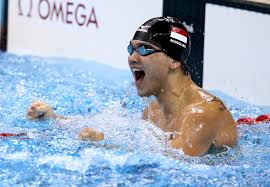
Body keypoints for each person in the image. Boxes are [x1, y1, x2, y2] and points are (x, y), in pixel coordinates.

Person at [27, 16, 237, 156]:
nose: (132, 58)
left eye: (145, 49)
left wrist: (107, 146)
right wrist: (56, 119)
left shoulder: (203, 113)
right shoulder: (153, 111)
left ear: (174, 61)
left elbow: (173, 164)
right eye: (131, 48)